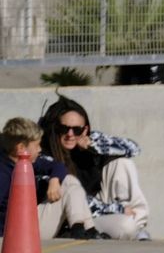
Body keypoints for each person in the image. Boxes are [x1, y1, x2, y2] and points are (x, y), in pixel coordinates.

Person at [40, 96, 152, 240]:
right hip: (75, 217)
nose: (70, 134)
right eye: (64, 128)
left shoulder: (91, 140)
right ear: (55, 128)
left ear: (85, 129)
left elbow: (133, 149)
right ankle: (132, 229)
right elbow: (74, 196)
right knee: (125, 226)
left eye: (77, 129)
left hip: (99, 210)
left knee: (122, 163)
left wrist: (93, 146)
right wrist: (117, 209)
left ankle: (138, 226)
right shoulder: (45, 155)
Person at [0, 117, 103, 240]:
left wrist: (54, 180)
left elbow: (58, 166)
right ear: (21, 148)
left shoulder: (27, 161)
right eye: (37, 145)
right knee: (70, 182)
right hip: (16, 237)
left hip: (27, 222)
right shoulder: (3, 174)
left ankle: (85, 229)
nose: (40, 150)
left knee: (69, 180)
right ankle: (86, 230)